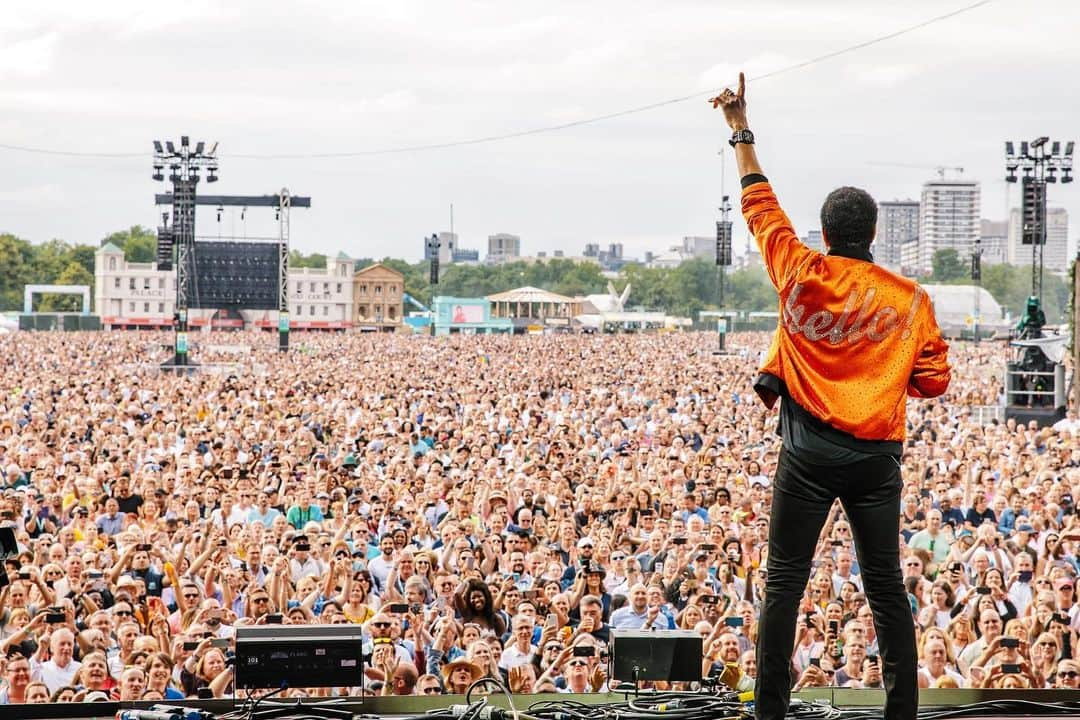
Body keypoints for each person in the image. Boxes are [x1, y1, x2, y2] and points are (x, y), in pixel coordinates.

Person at [712, 72, 951, 720]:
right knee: (885, 588)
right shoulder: (909, 300)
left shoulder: (799, 271)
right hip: (876, 462)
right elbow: (935, 381)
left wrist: (740, 129)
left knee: (784, 584)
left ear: (823, 233)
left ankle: (770, 714)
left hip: (807, 453)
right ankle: (901, 711)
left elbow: (759, 204)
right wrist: (887, 361)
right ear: (873, 233)